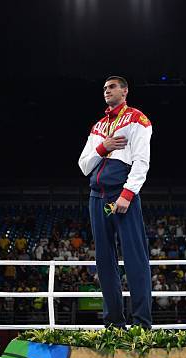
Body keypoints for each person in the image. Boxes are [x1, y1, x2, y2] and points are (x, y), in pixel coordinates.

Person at [78, 76, 153, 328]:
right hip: (96, 199)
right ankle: (113, 324)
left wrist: (127, 194)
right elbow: (84, 165)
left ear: (125, 90)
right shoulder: (98, 126)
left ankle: (142, 324)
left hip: (121, 197)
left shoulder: (137, 119)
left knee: (135, 258)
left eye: (112, 87)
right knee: (104, 261)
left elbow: (142, 161)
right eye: (104, 88)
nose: (106, 91)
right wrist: (103, 147)